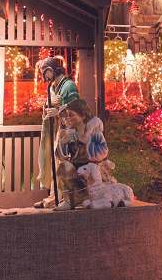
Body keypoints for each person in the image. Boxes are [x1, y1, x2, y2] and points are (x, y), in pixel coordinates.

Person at [36, 56, 79, 207]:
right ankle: (54, 196)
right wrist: (47, 104)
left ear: (51, 70)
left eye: (44, 72)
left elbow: (76, 108)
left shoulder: (69, 86)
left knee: (62, 164)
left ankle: (65, 198)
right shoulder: (54, 87)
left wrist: (59, 111)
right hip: (56, 131)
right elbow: (49, 106)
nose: (43, 76)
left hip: (66, 132)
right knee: (54, 163)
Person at [53, 99, 109, 211]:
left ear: (83, 115)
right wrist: (63, 143)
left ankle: (87, 198)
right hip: (75, 168)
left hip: (90, 168)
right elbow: (60, 156)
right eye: (68, 115)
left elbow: (104, 150)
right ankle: (69, 200)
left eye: (71, 115)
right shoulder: (70, 132)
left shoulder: (94, 132)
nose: (68, 118)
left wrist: (89, 142)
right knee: (64, 167)